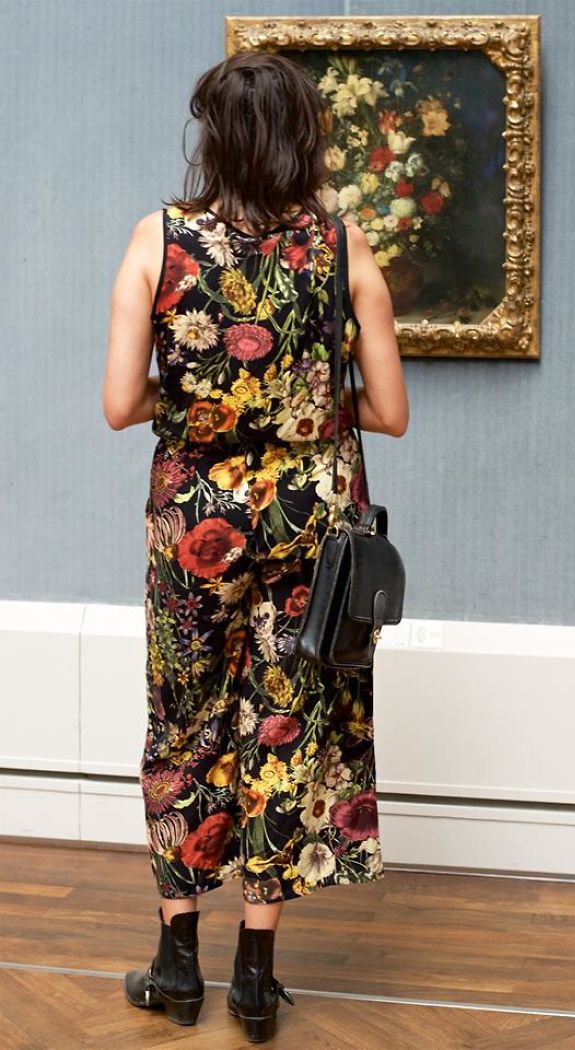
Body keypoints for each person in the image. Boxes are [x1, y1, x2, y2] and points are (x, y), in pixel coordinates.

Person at [103, 50, 408, 1042]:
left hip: (194, 519)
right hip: (309, 523)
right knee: (284, 725)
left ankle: (175, 963)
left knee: (184, 722)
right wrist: (297, 406)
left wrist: (207, 404)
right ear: (302, 138)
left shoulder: (158, 238)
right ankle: (255, 977)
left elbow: (120, 404)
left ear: (214, 138)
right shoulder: (342, 246)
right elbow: (390, 412)